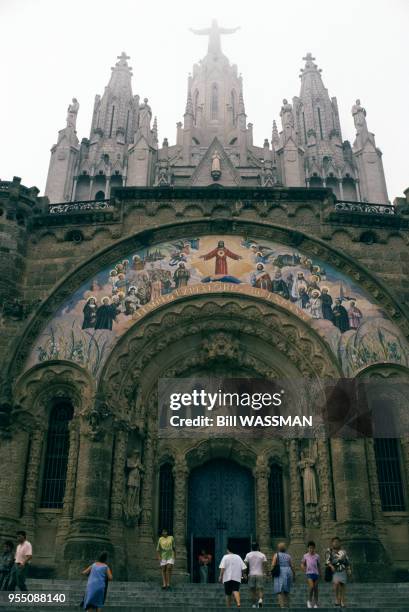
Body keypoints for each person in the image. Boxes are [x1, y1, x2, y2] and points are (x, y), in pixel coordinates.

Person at [325, 537, 351, 608]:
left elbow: (347, 561)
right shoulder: (329, 551)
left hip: (342, 570)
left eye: (337, 542)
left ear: (340, 543)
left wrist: (349, 569)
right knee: (336, 584)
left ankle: (342, 601)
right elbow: (327, 561)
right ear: (332, 543)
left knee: (342, 585)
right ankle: (337, 598)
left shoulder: (343, 552)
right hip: (335, 571)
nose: (336, 543)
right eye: (334, 542)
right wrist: (331, 566)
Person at [271, 542, 296, 609]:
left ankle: (282, 606)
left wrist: (271, 573)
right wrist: (294, 574)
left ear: (278, 548)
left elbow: (273, 565)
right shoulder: (288, 556)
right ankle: (288, 605)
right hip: (288, 571)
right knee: (286, 591)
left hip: (280, 572)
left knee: (279, 591)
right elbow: (292, 565)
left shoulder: (276, 555)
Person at [244, 542, 267, 608]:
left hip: (251, 574)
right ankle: (260, 600)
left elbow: (245, 565)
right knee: (260, 589)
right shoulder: (262, 555)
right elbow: (265, 565)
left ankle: (254, 604)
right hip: (260, 574)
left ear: (251, 547)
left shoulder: (248, 555)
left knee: (252, 590)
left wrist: (244, 573)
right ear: (258, 547)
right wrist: (266, 573)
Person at [301, 541, 321, 609]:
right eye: (310, 548)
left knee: (316, 589)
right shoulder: (305, 555)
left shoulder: (317, 556)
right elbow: (302, 564)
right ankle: (309, 601)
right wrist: (304, 569)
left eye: (312, 548)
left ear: (314, 548)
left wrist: (319, 573)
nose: (311, 549)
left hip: (316, 573)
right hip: (309, 573)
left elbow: (318, 565)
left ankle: (316, 603)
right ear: (308, 548)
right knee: (311, 587)